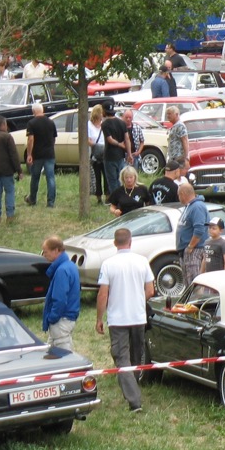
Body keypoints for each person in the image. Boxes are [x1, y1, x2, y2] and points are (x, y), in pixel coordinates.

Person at [96, 227, 154, 413]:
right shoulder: (142, 261)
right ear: (130, 242)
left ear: (115, 243)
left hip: (118, 319)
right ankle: (132, 386)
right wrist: (138, 300)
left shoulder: (108, 264)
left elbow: (103, 294)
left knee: (122, 358)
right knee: (136, 356)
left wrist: (99, 318)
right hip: (138, 317)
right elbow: (151, 291)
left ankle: (134, 399)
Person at [41, 236, 80, 351]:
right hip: (66, 319)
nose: (44, 255)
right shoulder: (70, 266)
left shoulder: (61, 271)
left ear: (56, 250)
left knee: (64, 357)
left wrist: (52, 318)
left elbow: (60, 299)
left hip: (61, 321)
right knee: (50, 353)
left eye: (46, 252)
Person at [25, 101, 57, 208]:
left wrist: (29, 154)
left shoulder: (31, 123)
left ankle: (32, 199)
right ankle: (51, 202)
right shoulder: (51, 122)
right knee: (50, 178)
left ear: (33, 111)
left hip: (37, 155)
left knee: (35, 177)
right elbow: (54, 138)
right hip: (49, 154)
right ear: (42, 110)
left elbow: (30, 140)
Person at [176, 183, 209, 286]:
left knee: (194, 283)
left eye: (179, 195)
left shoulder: (197, 207)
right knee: (188, 284)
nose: (179, 198)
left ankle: (196, 302)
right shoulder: (189, 206)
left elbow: (199, 229)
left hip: (195, 250)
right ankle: (189, 302)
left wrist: (190, 246)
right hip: (186, 251)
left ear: (183, 194)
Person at [101, 106, 130, 192]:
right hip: (121, 156)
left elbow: (109, 139)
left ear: (104, 111)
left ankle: (115, 200)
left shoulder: (105, 124)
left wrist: (119, 144)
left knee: (112, 180)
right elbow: (127, 138)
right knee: (121, 178)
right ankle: (122, 197)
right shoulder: (122, 123)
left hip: (109, 156)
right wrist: (129, 153)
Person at [87, 103, 108, 205]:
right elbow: (88, 140)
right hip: (95, 154)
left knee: (107, 176)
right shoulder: (89, 125)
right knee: (97, 176)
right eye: (101, 113)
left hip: (105, 153)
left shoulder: (104, 124)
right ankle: (99, 197)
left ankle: (108, 196)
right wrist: (96, 146)